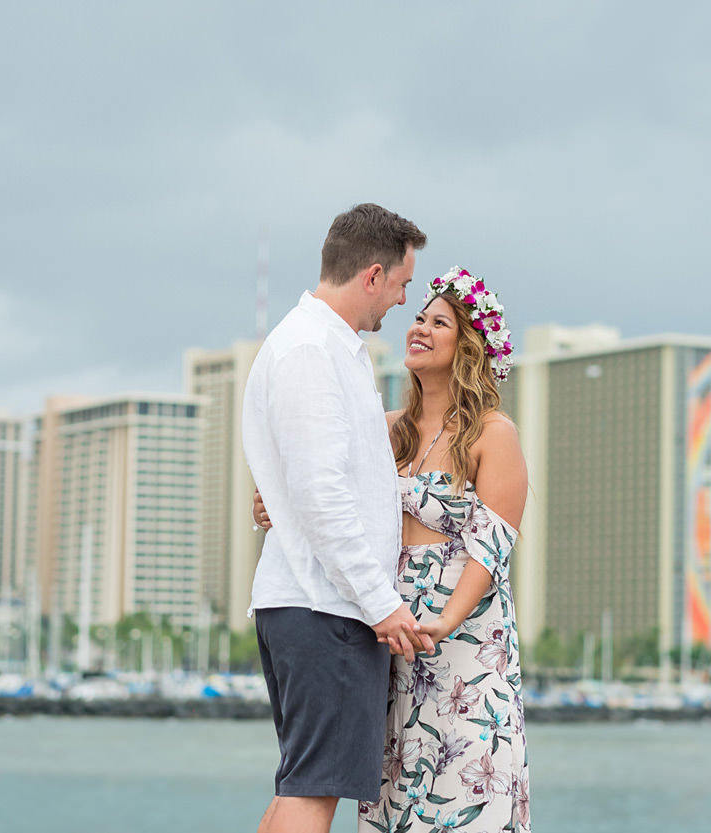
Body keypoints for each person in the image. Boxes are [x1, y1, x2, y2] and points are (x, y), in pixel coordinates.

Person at [255, 265, 531, 832]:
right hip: (381, 628)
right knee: (382, 787)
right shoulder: (384, 428)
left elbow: (491, 546)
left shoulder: (492, 433)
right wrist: (273, 506)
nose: (419, 328)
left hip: (463, 642)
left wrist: (442, 624)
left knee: (460, 787)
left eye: (439, 322)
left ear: (469, 346)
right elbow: (313, 481)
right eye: (418, 317)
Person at [242, 203, 434, 833]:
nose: (403, 301)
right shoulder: (310, 349)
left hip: (315, 600)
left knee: (303, 782)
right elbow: (322, 494)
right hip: (326, 605)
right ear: (372, 274)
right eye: (404, 285)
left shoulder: (324, 348)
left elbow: (315, 483)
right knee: (314, 790)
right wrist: (382, 605)